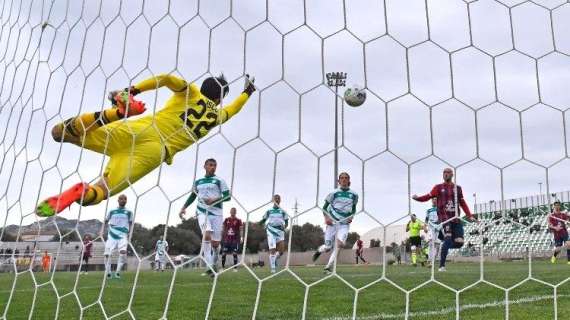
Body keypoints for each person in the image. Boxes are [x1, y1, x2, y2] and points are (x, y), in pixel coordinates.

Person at [36, 73, 256, 217]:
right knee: (100, 192)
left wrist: (133, 91)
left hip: (141, 129)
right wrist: (248, 91)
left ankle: (116, 113)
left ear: (203, 87)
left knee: (61, 132)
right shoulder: (217, 115)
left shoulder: (192, 92)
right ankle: (80, 192)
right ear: (219, 100)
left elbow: (167, 78)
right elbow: (236, 108)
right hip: (154, 153)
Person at [412, 168, 474, 272]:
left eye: (448, 172)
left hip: (456, 218)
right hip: (445, 218)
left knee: (460, 243)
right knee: (448, 238)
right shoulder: (438, 187)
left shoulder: (457, 188)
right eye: (444, 173)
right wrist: (417, 198)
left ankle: (444, 246)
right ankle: (442, 266)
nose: (445, 174)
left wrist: (469, 215)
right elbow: (428, 196)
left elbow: (462, 203)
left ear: (452, 174)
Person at [179, 158, 230, 277]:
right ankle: (209, 265)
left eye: (214, 165)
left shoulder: (219, 180)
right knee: (207, 235)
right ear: (205, 166)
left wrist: (214, 199)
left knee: (216, 244)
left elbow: (228, 196)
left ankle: (214, 264)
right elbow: (193, 195)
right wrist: (183, 207)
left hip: (216, 213)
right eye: (210, 165)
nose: (212, 167)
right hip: (202, 211)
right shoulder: (198, 181)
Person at [312, 172, 359, 274]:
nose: (344, 180)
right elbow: (324, 208)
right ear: (338, 181)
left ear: (349, 181)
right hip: (332, 222)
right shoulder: (333, 193)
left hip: (344, 224)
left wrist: (351, 216)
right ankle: (319, 251)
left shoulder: (354, 195)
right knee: (328, 247)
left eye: (346, 178)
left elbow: (354, 209)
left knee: (339, 244)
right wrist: (326, 218)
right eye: (342, 178)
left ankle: (328, 267)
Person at [104, 194, 133, 279]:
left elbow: (131, 224)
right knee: (107, 254)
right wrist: (102, 230)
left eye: (125, 199)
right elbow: (106, 220)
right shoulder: (112, 211)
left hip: (123, 235)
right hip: (112, 236)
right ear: (118, 200)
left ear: (126, 201)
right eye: (121, 199)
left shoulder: (129, 212)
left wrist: (130, 234)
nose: (123, 200)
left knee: (123, 253)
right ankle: (108, 272)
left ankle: (117, 272)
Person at [260, 195, 289, 273]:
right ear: (273, 200)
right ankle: (273, 268)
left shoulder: (283, 211)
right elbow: (263, 220)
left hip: (280, 231)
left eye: (278, 198)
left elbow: (286, 222)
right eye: (275, 198)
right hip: (271, 231)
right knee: (272, 249)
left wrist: (285, 227)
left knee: (281, 251)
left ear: (280, 200)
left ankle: (275, 258)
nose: (277, 199)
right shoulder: (269, 211)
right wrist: (261, 224)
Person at [548, 200, 570, 264]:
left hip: (564, 232)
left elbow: (568, 219)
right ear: (554, 206)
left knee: (568, 244)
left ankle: (569, 260)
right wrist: (555, 228)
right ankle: (554, 256)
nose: (557, 206)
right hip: (557, 234)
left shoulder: (562, 214)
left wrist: (567, 217)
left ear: (560, 206)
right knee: (558, 249)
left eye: (558, 205)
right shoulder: (551, 215)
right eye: (556, 205)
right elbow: (549, 225)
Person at [425, 197, 441, 266]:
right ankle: (429, 260)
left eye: (435, 199)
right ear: (431, 201)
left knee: (437, 245)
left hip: (438, 227)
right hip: (431, 228)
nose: (434, 201)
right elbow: (426, 219)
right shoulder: (428, 210)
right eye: (433, 199)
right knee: (431, 243)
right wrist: (425, 227)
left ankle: (433, 260)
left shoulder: (441, 209)